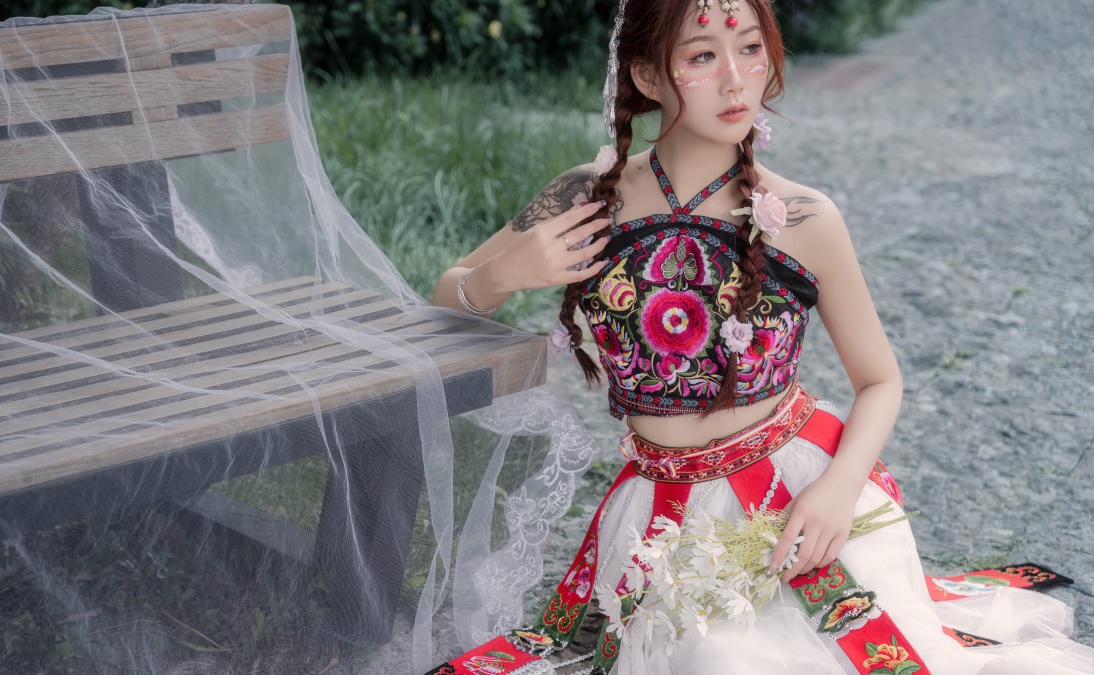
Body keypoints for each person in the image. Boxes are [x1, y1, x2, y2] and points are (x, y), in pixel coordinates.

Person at [431, 0, 1094, 673]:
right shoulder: (585, 197)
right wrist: (505, 273)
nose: (736, 79)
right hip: (657, 509)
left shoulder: (804, 216)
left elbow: (880, 380)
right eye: (702, 56)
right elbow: (447, 291)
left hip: (793, 496)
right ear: (647, 75)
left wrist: (838, 489)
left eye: (750, 49)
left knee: (728, 659)